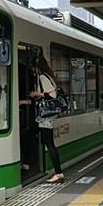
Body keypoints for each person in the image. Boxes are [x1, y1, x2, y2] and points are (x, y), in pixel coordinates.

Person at [29, 54, 64, 183]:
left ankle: (59, 173)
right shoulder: (48, 76)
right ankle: (28, 163)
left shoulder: (43, 77)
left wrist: (36, 94)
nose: (32, 70)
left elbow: (52, 95)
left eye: (33, 67)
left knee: (49, 144)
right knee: (36, 136)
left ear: (37, 67)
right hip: (46, 117)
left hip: (46, 118)